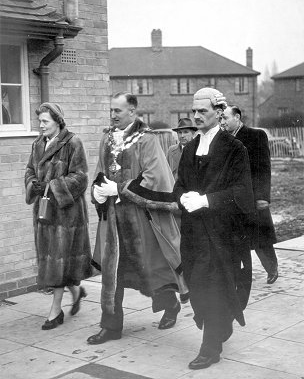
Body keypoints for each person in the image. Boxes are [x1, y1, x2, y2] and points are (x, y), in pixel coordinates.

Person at [87, 92, 187, 345]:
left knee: (150, 268)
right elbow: (100, 170)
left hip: (141, 219)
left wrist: (119, 189)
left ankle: (170, 305)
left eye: (117, 111)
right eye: (111, 110)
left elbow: (155, 177)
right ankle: (111, 326)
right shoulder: (107, 138)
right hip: (112, 218)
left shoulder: (147, 139)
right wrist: (97, 191)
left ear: (132, 111)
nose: (112, 115)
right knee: (112, 272)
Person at [173, 87, 254, 370]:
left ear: (219, 113)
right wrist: (183, 197)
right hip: (194, 233)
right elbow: (179, 185)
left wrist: (207, 200)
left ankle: (211, 348)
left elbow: (242, 192)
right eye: (193, 111)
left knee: (213, 288)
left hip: (221, 234)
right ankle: (221, 327)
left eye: (202, 111)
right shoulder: (190, 149)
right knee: (196, 287)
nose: (196, 116)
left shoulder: (235, 149)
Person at [25, 103, 92, 330]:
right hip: (44, 212)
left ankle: (55, 311)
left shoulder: (73, 142)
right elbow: (29, 170)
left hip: (67, 214)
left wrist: (52, 186)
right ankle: (76, 290)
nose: (40, 125)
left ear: (58, 121)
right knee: (56, 260)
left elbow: (81, 177)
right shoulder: (37, 144)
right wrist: (32, 184)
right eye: (39, 121)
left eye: (45, 121)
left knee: (59, 259)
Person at [220, 106, 278, 284]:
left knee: (260, 236)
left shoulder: (256, 135)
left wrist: (262, 196)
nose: (222, 122)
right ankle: (241, 275)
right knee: (237, 237)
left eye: (225, 118)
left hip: (254, 196)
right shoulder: (223, 140)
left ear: (237, 117)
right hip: (233, 197)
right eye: (220, 119)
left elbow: (263, 168)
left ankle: (271, 268)